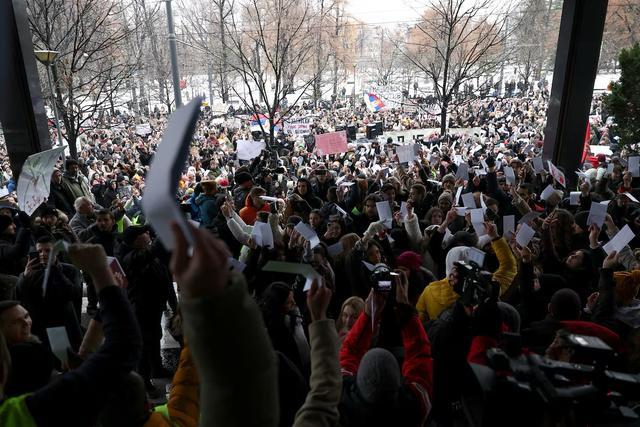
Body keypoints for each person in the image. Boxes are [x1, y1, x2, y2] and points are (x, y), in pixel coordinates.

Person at [0, 243, 142, 426]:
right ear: (4, 371)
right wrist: (102, 274)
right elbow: (123, 347)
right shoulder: (28, 411)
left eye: (26, 317)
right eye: (15, 322)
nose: (25, 323)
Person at [121, 225, 175, 393]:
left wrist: (173, 304)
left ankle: (157, 368)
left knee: (155, 338)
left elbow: (166, 280)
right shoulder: (132, 257)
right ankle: (143, 381)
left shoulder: (149, 255)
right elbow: (151, 252)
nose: (148, 235)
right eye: (144, 233)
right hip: (141, 309)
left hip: (154, 307)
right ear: (136, 240)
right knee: (144, 345)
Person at [15, 236, 84, 349]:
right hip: (39, 324)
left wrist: (55, 270)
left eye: (48, 250)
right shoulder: (31, 272)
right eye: (39, 251)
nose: (43, 254)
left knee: (63, 357)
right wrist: (25, 277)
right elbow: (20, 295)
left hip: (62, 322)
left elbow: (73, 294)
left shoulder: (70, 270)